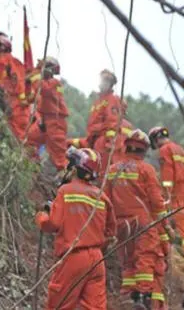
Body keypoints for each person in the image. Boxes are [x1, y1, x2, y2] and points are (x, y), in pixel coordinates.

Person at [35, 147, 116, 310]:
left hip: (73, 258)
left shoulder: (66, 191)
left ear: (74, 169)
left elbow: (53, 224)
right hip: (97, 260)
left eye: (69, 165)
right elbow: (111, 232)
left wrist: (42, 217)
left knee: (60, 304)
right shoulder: (101, 196)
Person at [104, 129, 172, 309]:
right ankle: (143, 298)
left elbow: (106, 202)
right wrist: (165, 227)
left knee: (128, 263)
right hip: (143, 224)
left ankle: (128, 298)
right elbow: (157, 203)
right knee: (145, 260)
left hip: (121, 226)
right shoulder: (146, 170)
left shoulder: (112, 170)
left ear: (126, 147)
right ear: (144, 150)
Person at [149, 126, 184, 262]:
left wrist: (166, 193)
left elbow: (168, 173)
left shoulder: (165, 150)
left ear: (156, 139)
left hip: (175, 192)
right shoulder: (182, 150)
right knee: (182, 222)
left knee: (172, 222)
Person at [70, 69, 124, 179]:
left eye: (106, 81)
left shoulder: (111, 100)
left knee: (100, 171)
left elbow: (112, 123)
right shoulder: (98, 101)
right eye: (102, 80)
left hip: (103, 141)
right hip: (93, 139)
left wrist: (109, 143)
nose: (102, 83)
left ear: (110, 84)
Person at [26, 57, 69, 174]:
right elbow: (32, 97)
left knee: (59, 157)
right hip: (45, 121)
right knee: (30, 139)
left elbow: (44, 89)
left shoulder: (54, 83)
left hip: (56, 122)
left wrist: (34, 75)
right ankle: (33, 168)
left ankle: (67, 180)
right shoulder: (45, 83)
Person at [0, 32, 29, 140]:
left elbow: (19, 84)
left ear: (3, 45)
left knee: (17, 137)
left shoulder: (12, 62)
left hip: (16, 107)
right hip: (1, 104)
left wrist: (17, 102)